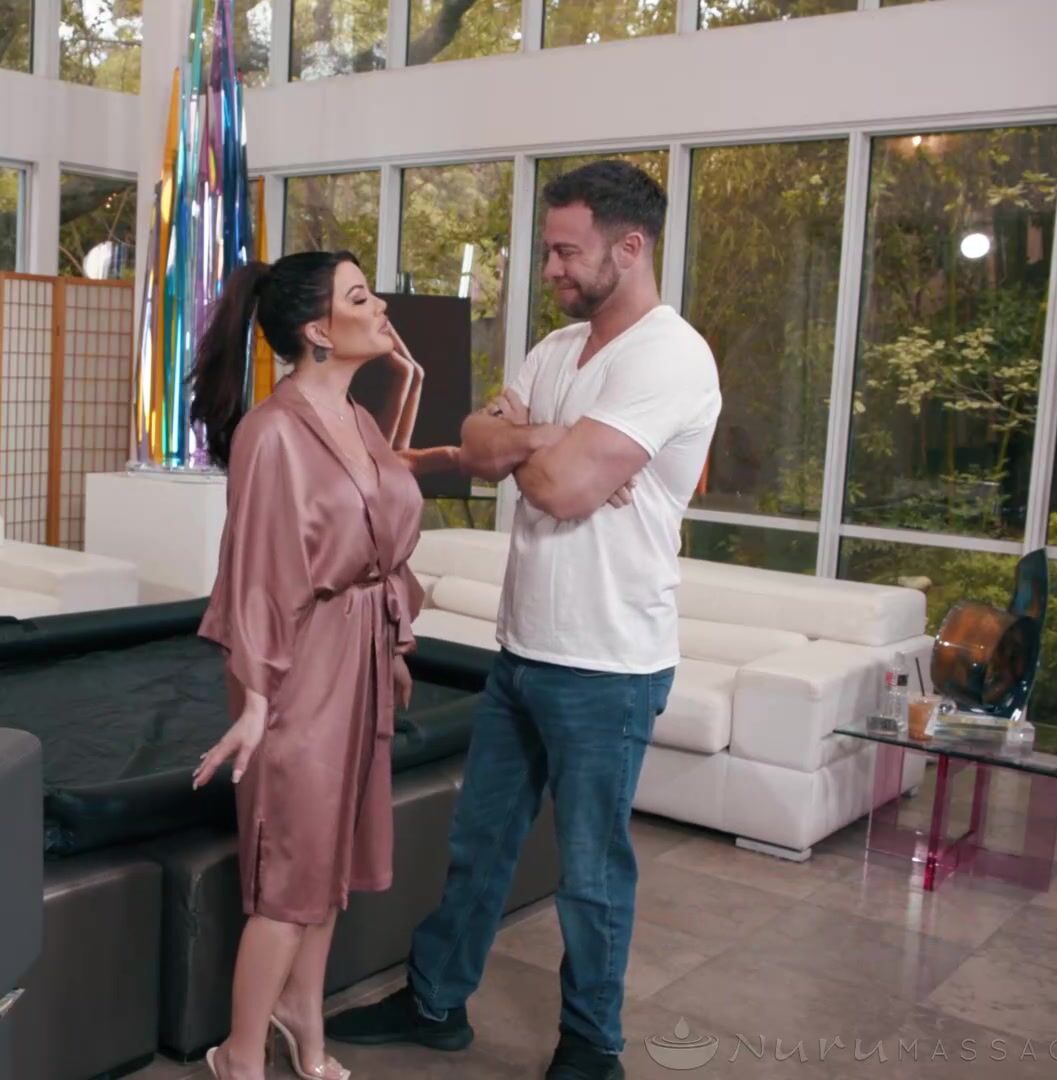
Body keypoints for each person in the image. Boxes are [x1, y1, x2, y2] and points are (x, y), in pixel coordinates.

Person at [323, 160, 722, 1080]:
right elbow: (474, 445)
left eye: (566, 252)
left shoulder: (669, 356)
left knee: (591, 872)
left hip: (610, 665)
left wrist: (536, 448)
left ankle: (592, 1045)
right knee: (479, 844)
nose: (550, 269)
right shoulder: (556, 349)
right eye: (550, 251)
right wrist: (546, 440)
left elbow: (562, 489)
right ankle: (436, 1004)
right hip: (524, 649)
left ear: (631, 247)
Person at [189, 250, 428, 1080]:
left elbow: (385, 537)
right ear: (319, 331)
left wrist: (395, 644)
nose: (380, 305)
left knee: (331, 863)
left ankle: (303, 1019)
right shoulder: (272, 433)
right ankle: (238, 1054)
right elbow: (255, 571)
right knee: (292, 871)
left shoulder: (360, 420)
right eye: (360, 297)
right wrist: (257, 702)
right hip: (295, 664)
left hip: (359, 652)